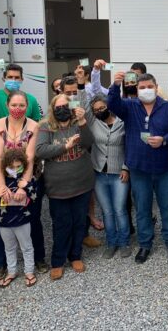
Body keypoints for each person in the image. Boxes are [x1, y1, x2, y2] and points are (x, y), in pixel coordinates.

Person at [108, 72, 168, 264]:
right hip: (139, 168)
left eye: (149, 86)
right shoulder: (129, 106)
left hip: (164, 168)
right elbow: (112, 104)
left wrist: (164, 140)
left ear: (156, 87)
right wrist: (115, 85)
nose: (146, 90)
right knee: (142, 208)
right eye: (142, 87)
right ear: (136, 89)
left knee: (167, 206)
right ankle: (145, 244)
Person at [36, 94, 95, 280]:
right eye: (58, 107)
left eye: (65, 106)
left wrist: (83, 121)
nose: (62, 110)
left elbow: (88, 143)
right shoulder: (46, 126)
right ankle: (58, 261)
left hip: (82, 183)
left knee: (79, 222)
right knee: (62, 224)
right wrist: (65, 147)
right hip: (58, 187)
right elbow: (40, 150)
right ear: (53, 109)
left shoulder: (78, 124)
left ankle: (75, 256)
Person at [0, 90, 46, 280]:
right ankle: (0, 263)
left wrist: (24, 186)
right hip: (3, 178)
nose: (17, 109)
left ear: (27, 107)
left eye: (22, 105)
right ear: (7, 105)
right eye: (14, 105)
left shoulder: (34, 126)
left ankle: (38, 258)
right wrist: (1, 186)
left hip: (27, 177)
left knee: (32, 218)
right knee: (1, 220)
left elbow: (30, 157)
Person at [79, 93, 130, 259]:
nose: (99, 111)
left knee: (120, 210)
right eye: (96, 109)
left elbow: (129, 146)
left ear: (109, 106)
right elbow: (83, 105)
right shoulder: (94, 122)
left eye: (102, 107)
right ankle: (111, 243)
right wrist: (81, 85)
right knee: (107, 211)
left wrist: (126, 168)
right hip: (99, 174)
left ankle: (124, 242)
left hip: (119, 173)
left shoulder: (123, 122)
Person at [0, 148, 37, 288]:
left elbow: (35, 197)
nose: (15, 169)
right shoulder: (0, 183)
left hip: (22, 221)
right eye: (11, 167)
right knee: (9, 248)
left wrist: (27, 186)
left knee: (26, 247)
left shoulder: (27, 180)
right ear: (5, 166)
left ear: (24, 165)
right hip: (4, 222)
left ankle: (29, 272)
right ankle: (11, 272)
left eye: (18, 166)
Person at [63, 76, 103, 245]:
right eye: (68, 93)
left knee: (84, 198)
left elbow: (89, 139)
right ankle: (67, 241)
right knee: (65, 207)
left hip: (83, 161)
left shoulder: (84, 111)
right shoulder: (56, 112)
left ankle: (84, 235)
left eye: (75, 92)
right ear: (60, 92)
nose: (72, 96)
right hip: (63, 165)